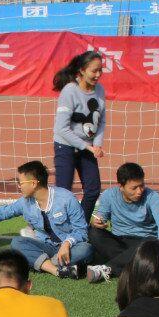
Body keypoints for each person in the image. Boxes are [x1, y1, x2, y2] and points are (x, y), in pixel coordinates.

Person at [0, 160, 93, 279]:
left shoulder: (66, 199)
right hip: (46, 246)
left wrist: (67, 243)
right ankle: (57, 270)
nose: (18, 186)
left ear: (33, 183)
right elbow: (0, 213)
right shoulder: (25, 203)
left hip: (70, 247)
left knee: (85, 249)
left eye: (21, 183)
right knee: (17, 242)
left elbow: (81, 231)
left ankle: (40, 262)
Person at [86, 162, 159, 283]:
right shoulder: (109, 195)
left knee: (152, 241)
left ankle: (108, 268)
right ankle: (140, 267)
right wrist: (97, 223)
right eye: (134, 188)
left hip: (143, 241)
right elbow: (100, 218)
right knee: (93, 232)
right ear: (121, 186)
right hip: (119, 241)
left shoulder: (152, 196)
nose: (139, 191)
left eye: (142, 185)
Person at [52, 50, 106, 221]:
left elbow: (101, 120)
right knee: (63, 193)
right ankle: (47, 226)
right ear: (82, 70)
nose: (98, 75)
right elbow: (61, 129)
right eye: (94, 71)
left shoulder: (100, 90)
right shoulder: (70, 91)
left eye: (100, 70)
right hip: (65, 146)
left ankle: (80, 225)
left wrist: (97, 144)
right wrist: (87, 147)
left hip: (88, 148)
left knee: (93, 190)